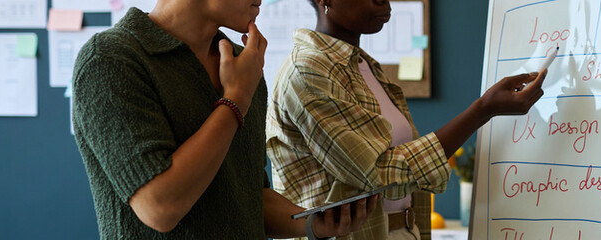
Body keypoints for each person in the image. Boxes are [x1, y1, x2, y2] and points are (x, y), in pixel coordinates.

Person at [71, 0, 377, 238]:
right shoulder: (110, 59)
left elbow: (248, 195)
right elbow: (160, 208)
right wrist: (236, 100)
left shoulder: (242, 65)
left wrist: (312, 224)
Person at [264, 0, 547, 239]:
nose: (383, 1)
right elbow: (376, 173)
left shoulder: (364, 66)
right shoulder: (307, 70)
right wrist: (482, 109)